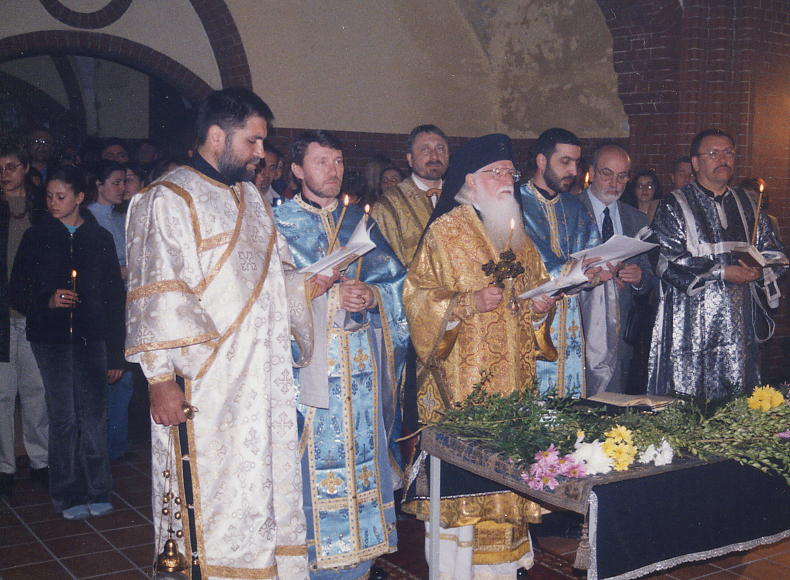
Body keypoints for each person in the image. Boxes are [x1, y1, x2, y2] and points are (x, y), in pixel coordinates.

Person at [124, 88, 308, 578]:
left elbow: (277, 277)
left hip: (260, 380)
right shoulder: (167, 198)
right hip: (205, 385)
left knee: (260, 490)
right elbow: (156, 294)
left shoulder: (251, 197)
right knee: (211, 498)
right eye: (252, 141)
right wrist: (160, 380)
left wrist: (314, 284)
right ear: (216, 136)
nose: (260, 154)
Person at [403, 134, 557, 579]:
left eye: (511, 172)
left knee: (507, 473)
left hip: (513, 385)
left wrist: (540, 308)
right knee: (467, 486)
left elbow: (534, 290)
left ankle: (504, 570)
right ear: (470, 179)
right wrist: (466, 303)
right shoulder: (445, 231)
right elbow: (416, 299)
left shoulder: (516, 232)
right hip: (463, 386)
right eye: (497, 172)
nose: (507, 180)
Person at [274, 130, 408, 579]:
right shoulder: (278, 223)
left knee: (361, 459)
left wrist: (370, 296)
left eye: (337, 162)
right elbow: (267, 298)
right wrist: (326, 296)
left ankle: (359, 562)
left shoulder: (359, 222)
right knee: (311, 466)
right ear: (297, 170)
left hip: (362, 373)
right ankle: (311, 562)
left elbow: (396, 284)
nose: (333, 171)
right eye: (321, 162)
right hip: (308, 376)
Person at [9, 166, 125, 519]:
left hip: (92, 338)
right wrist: (46, 300)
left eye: (61, 197)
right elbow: (17, 290)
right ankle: (67, 493)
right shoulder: (37, 236)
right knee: (63, 417)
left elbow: (113, 299)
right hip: (51, 339)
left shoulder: (99, 238)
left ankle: (98, 489)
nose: (53, 203)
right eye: (49, 196)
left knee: (94, 416)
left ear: (79, 197)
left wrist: (116, 353)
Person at [648, 129, 787, 400]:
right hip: (689, 320)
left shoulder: (748, 204)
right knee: (689, 396)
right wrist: (722, 272)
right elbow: (666, 259)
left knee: (737, 392)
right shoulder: (674, 204)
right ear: (695, 163)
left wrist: (758, 270)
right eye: (713, 153)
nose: (723, 159)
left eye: (728, 153)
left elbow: (776, 254)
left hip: (739, 320)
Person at [518, 128, 607, 398]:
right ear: (541, 161)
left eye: (576, 163)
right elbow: (526, 263)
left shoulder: (575, 207)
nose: (573, 171)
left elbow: (591, 255)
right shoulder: (515, 203)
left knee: (567, 397)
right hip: (530, 314)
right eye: (565, 162)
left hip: (569, 318)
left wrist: (599, 272)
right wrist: (575, 270)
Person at [578, 145, 656, 394]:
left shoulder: (636, 218)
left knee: (614, 401)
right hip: (578, 326)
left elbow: (649, 277)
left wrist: (639, 279)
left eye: (622, 176)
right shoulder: (570, 209)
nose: (615, 183)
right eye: (607, 174)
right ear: (591, 172)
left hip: (620, 329)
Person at [0, 137, 49, 498]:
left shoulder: (41, 210)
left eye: (11, 167)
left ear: (26, 168)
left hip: (32, 315)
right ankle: (5, 466)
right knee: (2, 395)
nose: (4, 174)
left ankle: (40, 460)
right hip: (2, 318)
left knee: (36, 391)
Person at [85, 160, 134, 461]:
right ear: (99, 185)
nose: (122, 188)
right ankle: (98, 446)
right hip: (101, 306)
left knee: (123, 377)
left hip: (123, 303)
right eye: (116, 182)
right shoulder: (89, 218)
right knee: (103, 375)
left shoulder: (120, 217)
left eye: (124, 182)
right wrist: (122, 271)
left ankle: (117, 445)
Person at [371, 124, 449, 267]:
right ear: (410, 159)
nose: (434, 156)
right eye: (425, 149)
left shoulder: (461, 197)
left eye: (440, 148)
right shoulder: (388, 205)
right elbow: (385, 266)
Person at [253, 140, 284, 205]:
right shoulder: (240, 197)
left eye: (272, 168)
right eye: (262, 166)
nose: (266, 174)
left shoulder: (280, 203)